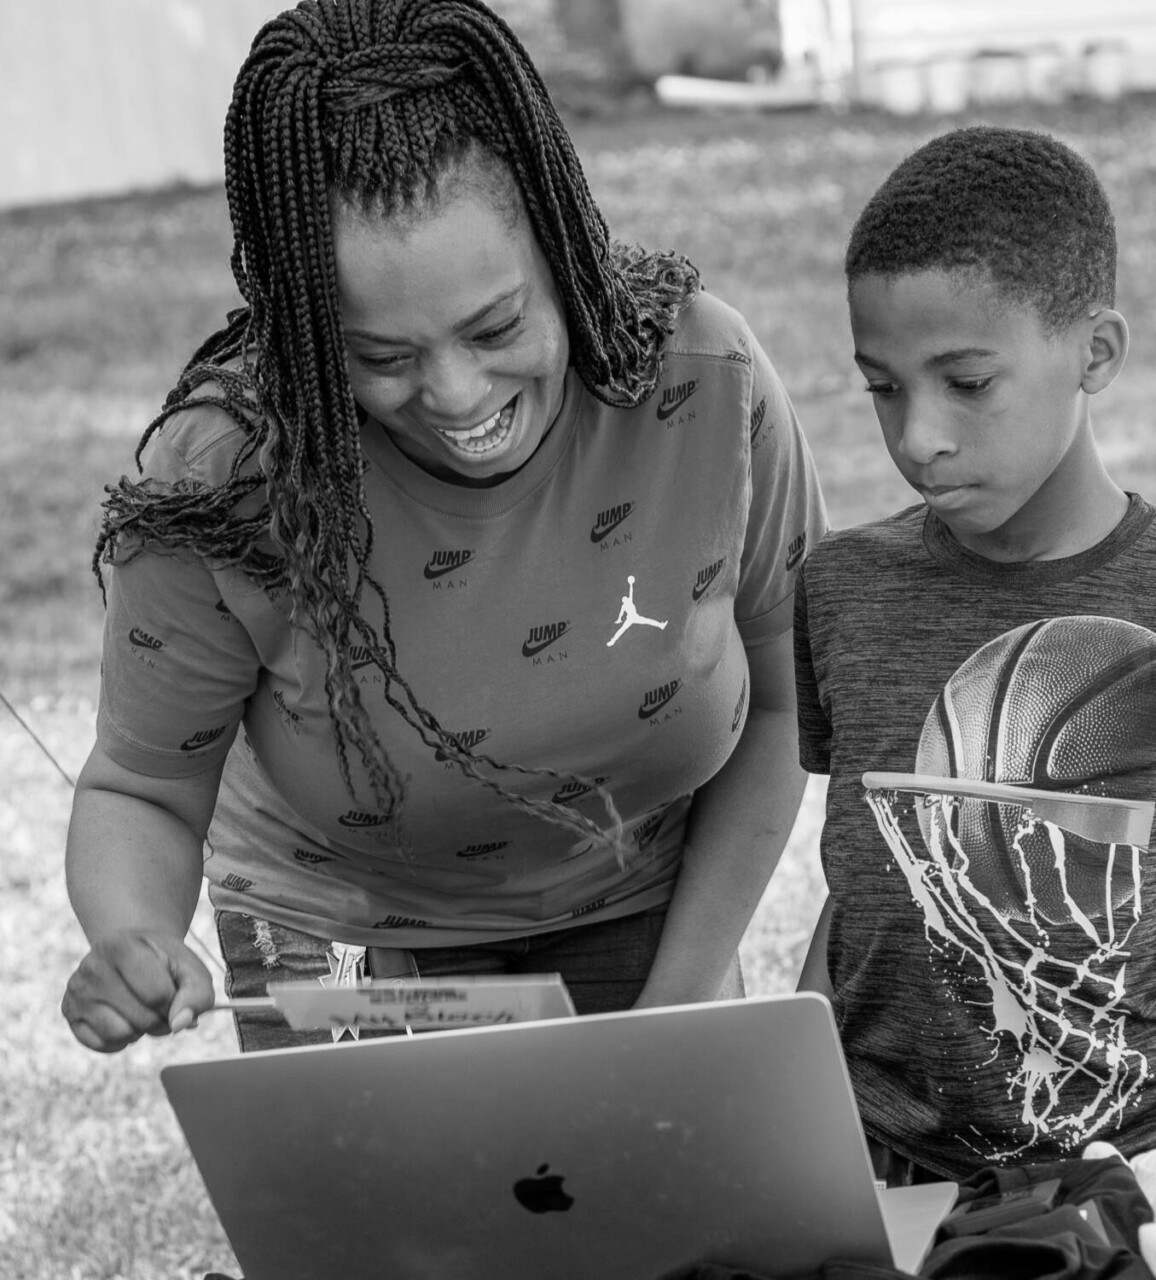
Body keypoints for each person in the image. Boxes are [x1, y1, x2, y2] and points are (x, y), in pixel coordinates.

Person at [60, 0, 826, 1054]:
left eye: (497, 325)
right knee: (405, 1227)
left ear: (559, 243)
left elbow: (786, 698)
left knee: (666, 1220)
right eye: (379, 356)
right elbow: (141, 784)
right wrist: (134, 936)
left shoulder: (701, 385)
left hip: (647, 918)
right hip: (338, 941)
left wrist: (683, 993)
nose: (458, 396)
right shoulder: (222, 478)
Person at [794, 123, 1156, 1185]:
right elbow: (862, 881)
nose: (917, 438)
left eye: (964, 380)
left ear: (1094, 352)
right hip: (887, 1166)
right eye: (882, 386)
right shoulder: (840, 588)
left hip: (1127, 1175)